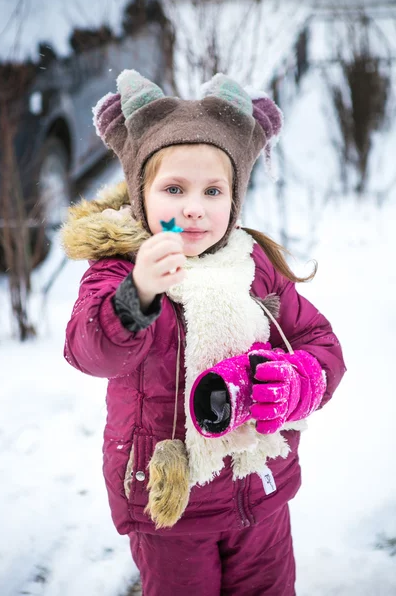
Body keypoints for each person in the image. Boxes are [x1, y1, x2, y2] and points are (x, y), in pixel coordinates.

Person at [62, 70, 346, 596]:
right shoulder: (123, 270)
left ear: (234, 197)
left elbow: (320, 344)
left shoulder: (253, 262)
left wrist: (299, 382)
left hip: (257, 491)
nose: (194, 206)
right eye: (173, 188)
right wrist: (138, 296)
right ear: (140, 195)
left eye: (213, 190)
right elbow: (89, 351)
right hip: (170, 502)